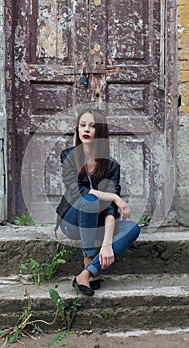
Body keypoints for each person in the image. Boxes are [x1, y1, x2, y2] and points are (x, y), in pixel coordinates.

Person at [56, 109, 140, 296]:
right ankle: (88, 259)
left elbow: (110, 210)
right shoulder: (68, 156)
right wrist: (114, 197)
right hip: (72, 223)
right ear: (77, 129)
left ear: (100, 131)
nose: (86, 129)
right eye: (83, 125)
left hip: (100, 225)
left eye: (93, 126)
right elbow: (77, 191)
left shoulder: (111, 166)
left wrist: (107, 243)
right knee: (89, 199)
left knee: (133, 228)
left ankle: (86, 274)